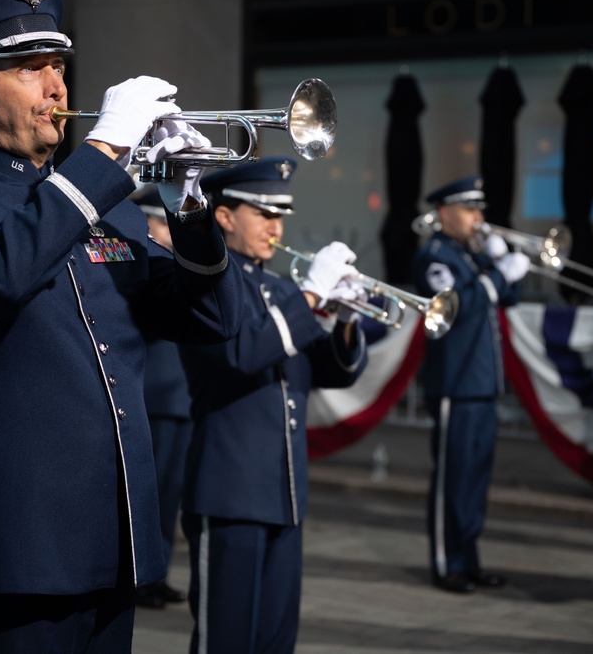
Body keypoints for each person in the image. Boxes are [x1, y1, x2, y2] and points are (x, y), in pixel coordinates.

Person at [0, 0, 242, 650]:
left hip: (114, 546)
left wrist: (190, 206)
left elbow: (212, 319)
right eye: (29, 68)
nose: (55, 84)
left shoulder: (111, 210)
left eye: (58, 65)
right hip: (13, 549)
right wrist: (106, 149)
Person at [178, 156, 368, 653]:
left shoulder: (282, 289)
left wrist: (344, 319)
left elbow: (330, 372)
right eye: (264, 213)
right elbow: (243, 354)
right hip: (229, 494)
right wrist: (309, 298)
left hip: (284, 493)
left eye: (280, 215)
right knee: (226, 640)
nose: (276, 227)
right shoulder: (204, 285)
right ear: (223, 216)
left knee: (274, 641)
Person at [410, 176, 530, 594]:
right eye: (469, 209)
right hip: (455, 384)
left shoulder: (471, 255)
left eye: (480, 210)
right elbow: (456, 304)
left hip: (480, 384)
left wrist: (505, 264)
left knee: (476, 480)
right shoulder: (434, 256)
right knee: (453, 480)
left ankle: (469, 559)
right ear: (444, 213)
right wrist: (498, 274)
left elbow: (507, 299)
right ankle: (447, 564)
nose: (479, 219)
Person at [130, 188, 191, 609]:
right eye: (159, 222)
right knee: (145, 495)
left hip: (180, 396)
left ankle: (158, 571)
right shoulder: (142, 263)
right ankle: (137, 576)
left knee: (170, 495)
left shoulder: (175, 263)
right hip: (152, 395)